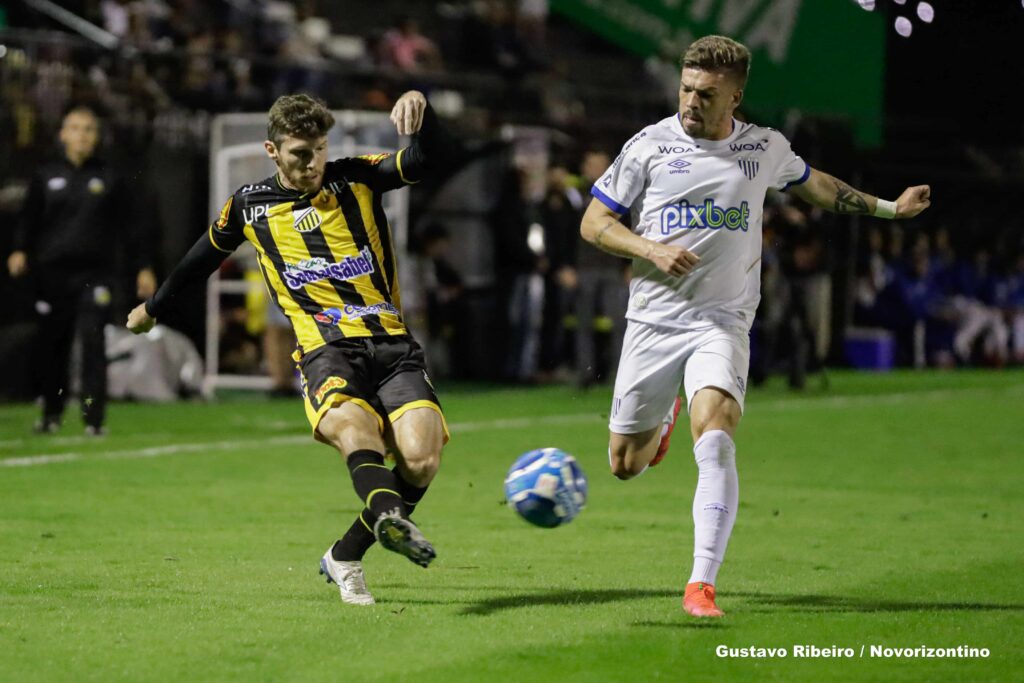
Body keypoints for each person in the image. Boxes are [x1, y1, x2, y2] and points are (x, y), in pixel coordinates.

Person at [579, 36, 930, 617]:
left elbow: (818, 186)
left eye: (707, 93)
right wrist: (648, 248)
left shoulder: (764, 148)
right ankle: (660, 422)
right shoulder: (648, 146)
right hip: (653, 322)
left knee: (715, 435)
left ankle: (701, 584)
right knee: (625, 464)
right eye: (686, 88)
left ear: (735, 96)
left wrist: (889, 209)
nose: (691, 101)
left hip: (722, 320)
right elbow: (594, 222)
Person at [126, 91, 452, 606]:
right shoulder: (248, 205)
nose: (313, 163)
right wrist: (154, 308)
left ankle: (345, 554)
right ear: (272, 151)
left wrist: (420, 111)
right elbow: (198, 262)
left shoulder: (356, 176)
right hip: (325, 351)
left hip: (391, 343)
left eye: (320, 149)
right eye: (301, 153)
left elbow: (420, 160)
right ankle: (390, 519)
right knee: (355, 430)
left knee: (422, 459)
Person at [8, 103, 157, 435]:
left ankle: (93, 419)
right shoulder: (46, 176)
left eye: (88, 129)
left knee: (93, 344)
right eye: (75, 128)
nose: (81, 135)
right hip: (52, 276)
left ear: (97, 136)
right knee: (52, 346)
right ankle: (50, 414)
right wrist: (19, 249)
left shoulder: (109, 177)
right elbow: (28, 219)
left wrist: (143, 267)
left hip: (96, 276)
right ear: (63, 134)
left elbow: (132, 228)